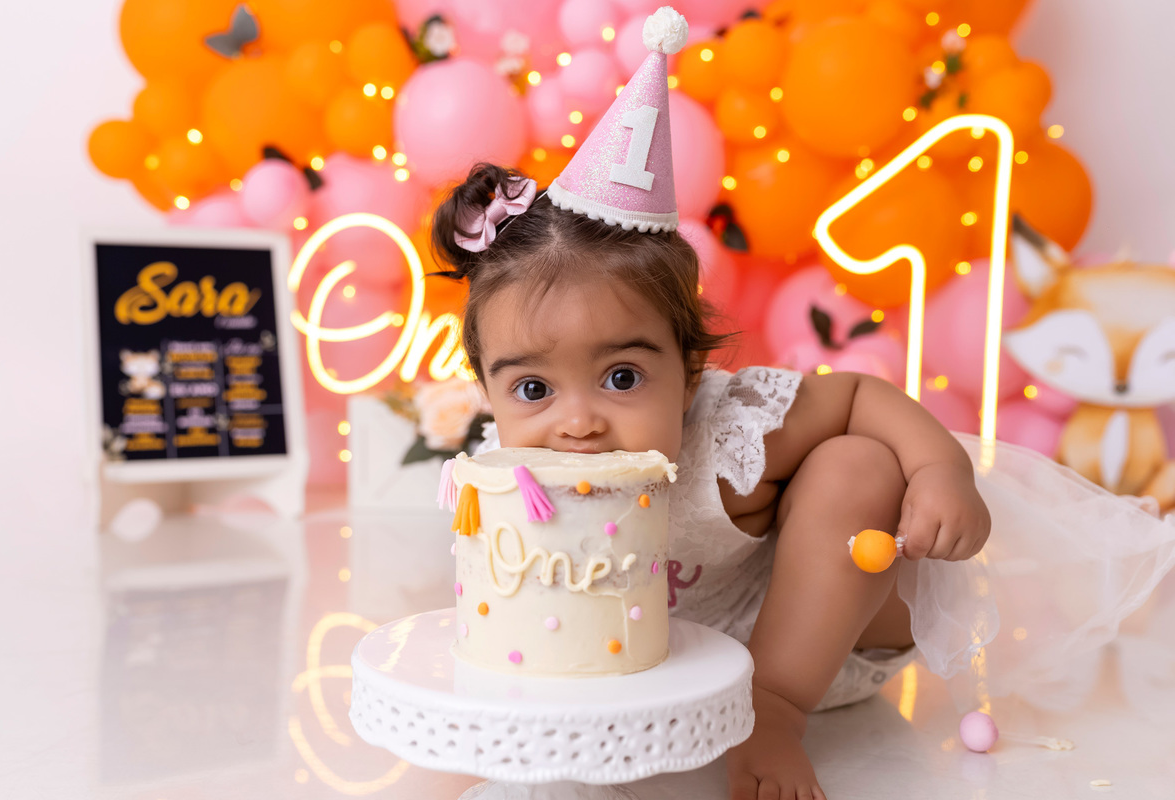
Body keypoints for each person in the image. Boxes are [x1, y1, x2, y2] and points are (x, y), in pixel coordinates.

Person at [430, 9, 1175, 799]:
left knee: (856, 463)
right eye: (534, 390)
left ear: (687, 369)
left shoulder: (726, 441)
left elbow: (858, 394)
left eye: (621, 377)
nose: (577, 422)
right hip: (657, 661)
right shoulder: (505, 480)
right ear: (488, 393)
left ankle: (774, 711)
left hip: (808, 637)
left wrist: (939, 470)